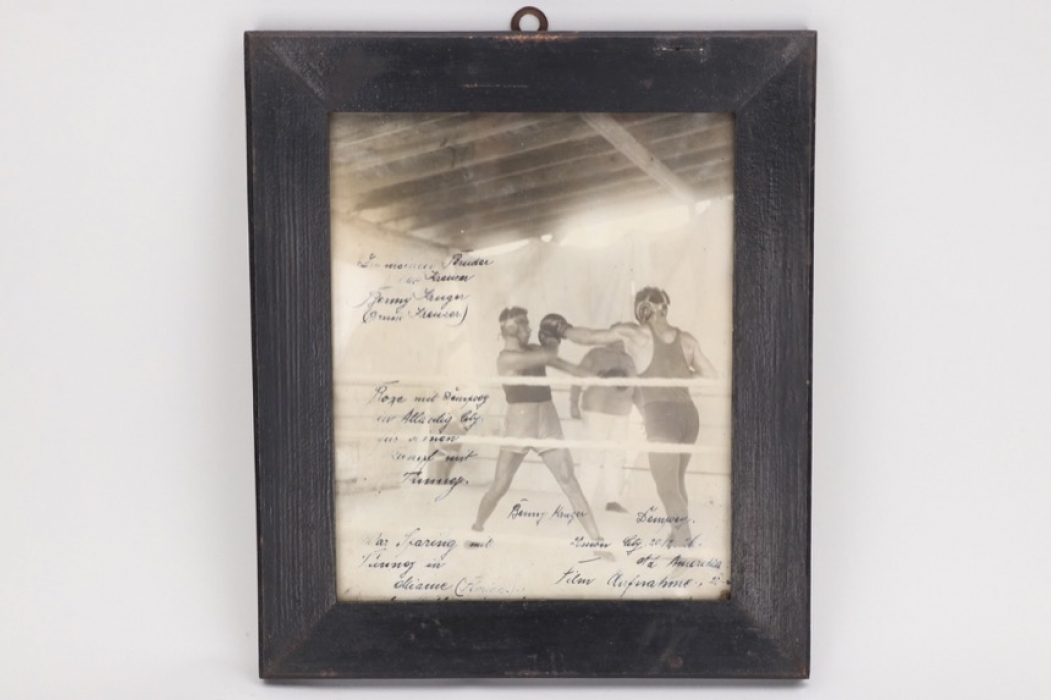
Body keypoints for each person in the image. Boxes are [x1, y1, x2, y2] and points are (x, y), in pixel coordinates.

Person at [545, 287, 716, 546]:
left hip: (663, 418)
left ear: (644, 309)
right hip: (688, 418)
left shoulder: (636, 334)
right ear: (665, 308)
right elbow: (711, 375)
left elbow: (590, 337)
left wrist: (562, 329)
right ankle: (677, 532)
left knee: (667, 487)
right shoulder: (687, 339)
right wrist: (677, 376)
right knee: (677, 482)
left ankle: (685, 548)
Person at [471, 308, 602, 541]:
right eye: (522, 323)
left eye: (528, 323)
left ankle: (597, 540)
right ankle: (477, 528)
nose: (529, 328)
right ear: (508, 329)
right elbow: (548, 356)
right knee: (500, 485)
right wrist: (553, 338)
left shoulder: (534, 350)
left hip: (548, 421)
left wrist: (599, 377)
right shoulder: (506, 359)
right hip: (519, 424)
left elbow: (564, 365)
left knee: (569, 482)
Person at [569, 342, 637, 514]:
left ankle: (612, 500)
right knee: (592, 456)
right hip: (596, 411)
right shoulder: (596, 353)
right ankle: (583, 503)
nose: (621, 341)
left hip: (621, 413)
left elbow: (636, 388)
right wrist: (573, 403)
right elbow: (577, 376)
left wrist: (646, 414)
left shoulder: (629, 359)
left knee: (616, 456)